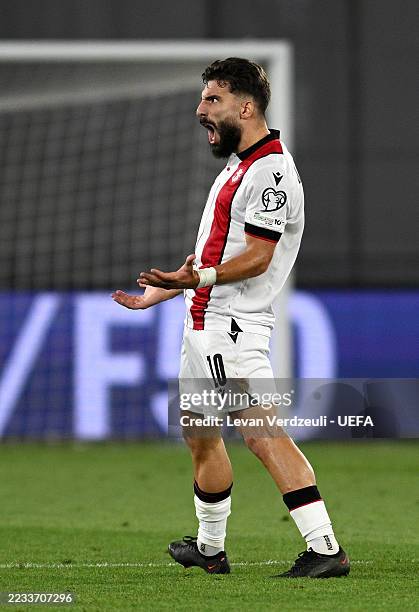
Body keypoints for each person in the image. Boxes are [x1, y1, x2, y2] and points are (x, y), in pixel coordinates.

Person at [112, 58, 349, 578]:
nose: (201, 110)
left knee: (260, 432)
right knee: (198, 432)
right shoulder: (240, 163)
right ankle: (210, 547)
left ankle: (325, 548)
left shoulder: (272, 172)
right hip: (203, 321)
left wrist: (195, 283)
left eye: (212, 100)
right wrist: (165, 290)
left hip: (232, 327)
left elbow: (259, 257)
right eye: (202, 99)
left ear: (247, 106)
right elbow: (216, 248)